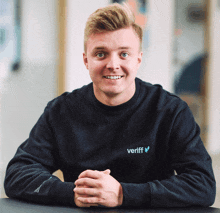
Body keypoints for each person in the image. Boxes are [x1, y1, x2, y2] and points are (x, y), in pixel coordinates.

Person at [4, 3, 216, 208]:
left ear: (138, 60)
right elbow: (18, 174)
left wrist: (123, 194)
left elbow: (202, 184)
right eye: (100, 54)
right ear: (86, 60)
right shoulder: (61, 111)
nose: (113, 64)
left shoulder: (170, 111)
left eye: (124, 54)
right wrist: (75, 193)